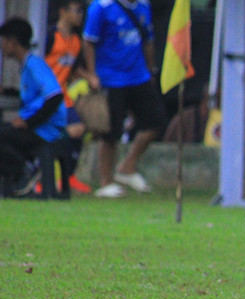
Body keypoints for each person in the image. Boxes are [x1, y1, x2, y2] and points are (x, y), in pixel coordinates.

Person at [82, 0, 167, 198]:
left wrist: (151, 69)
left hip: (139, 76)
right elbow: (88, 41)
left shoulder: (144, 6)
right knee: (110, 131)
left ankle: (127, 167)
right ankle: (106, 182)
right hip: (111, 78)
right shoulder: (101, 8)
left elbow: (148, 40)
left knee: (156, 121)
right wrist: (93, 74)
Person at [0, 18, 67, 197]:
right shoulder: (26, 66)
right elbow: (33, 96)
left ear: (13, 42)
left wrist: (29, 123)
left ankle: (24, 172)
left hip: (46, 130)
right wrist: (8, 91)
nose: (2, 46)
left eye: (3, 41)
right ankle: (18, 178)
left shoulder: (35, 64)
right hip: (38, 126)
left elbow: (55, 96)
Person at [44, 0, 91, 194]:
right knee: (60, 132)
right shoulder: (50, 36)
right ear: (63, 12)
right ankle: (44, 177)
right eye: (76, 10)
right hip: (47, 95)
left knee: (79, 129)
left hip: (63, 95)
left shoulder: (75, 41)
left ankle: (68, 176)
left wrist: (90, 77)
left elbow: (72, 69)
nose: (80, 15)